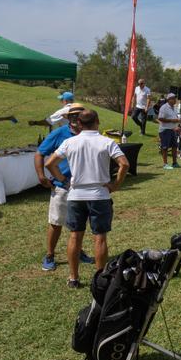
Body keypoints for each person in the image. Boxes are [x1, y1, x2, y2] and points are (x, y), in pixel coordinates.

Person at [45, 110, 128, 289]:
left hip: (76, 195)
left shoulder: (70, 142)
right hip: (99, 194)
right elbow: (124, 164)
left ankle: (73, 277)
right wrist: (115, 184)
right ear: (97, 121)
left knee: (75, 236)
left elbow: (49, 163)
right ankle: (101, 279)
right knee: (100, 238)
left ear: (79, 124)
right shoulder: (107, 142)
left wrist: (63, 181)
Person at [33, 104, 95, 272]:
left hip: (83, 187)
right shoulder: (59, 134)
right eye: (73, 115)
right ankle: (50, 255)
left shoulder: (89, 134)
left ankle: (78, 251)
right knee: (56, 222)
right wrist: (41, 175)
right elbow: (40, 153)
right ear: (68, 118)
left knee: (79, 224)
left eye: (79, 115)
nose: (76, 118)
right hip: (63, 187)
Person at [156, 92, 181, 170]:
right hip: (164, 130)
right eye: (173, 98)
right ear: (169, 99)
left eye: (175, 98)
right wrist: (172, 120)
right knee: (165, 147)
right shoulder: (163, 107)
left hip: (172, 130)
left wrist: (178, 124)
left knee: (175, 146)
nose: (175, 100)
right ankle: (165, 164)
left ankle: (174, 163)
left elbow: (175, 119)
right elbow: (160, 118)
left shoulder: (174, 108)